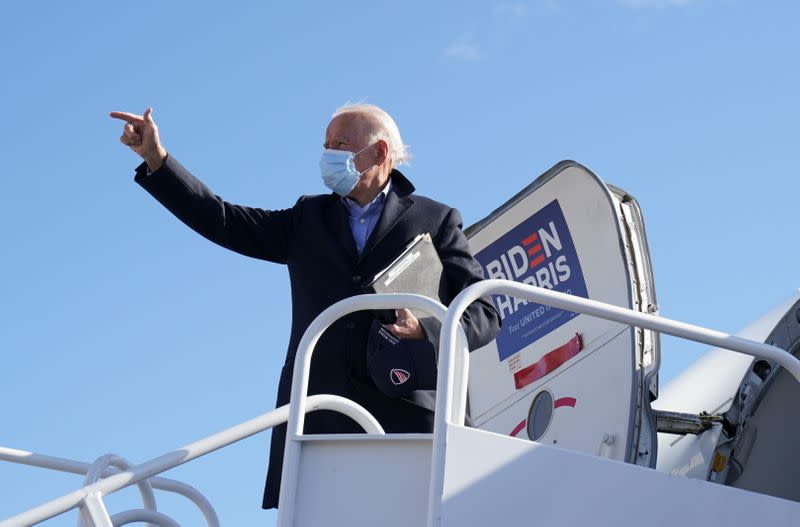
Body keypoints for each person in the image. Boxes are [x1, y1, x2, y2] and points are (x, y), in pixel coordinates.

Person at [110, 103, 501, 509]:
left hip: (406, 424)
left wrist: (427, 329)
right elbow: (223, 219)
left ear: (379, 153)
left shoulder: (434, 219)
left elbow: (483, 314)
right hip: (318, 422)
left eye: (340, 144)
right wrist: (157, 160)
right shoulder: (306, 218)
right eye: (326, 144)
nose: (328, 153)